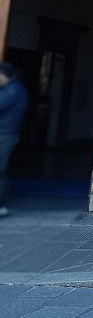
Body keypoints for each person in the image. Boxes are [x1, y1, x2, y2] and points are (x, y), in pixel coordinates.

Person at [0, 63, 27, 218]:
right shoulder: (9, 89)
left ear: (5, 75)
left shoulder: (14, 90)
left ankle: (1, 204)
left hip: (6, 134)